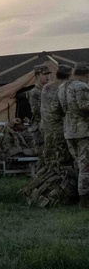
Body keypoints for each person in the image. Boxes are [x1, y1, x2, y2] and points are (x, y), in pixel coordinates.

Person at [23, 65, 78, 207]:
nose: (46, 76)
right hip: (46, 128)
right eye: (43, 74)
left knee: (53, 158)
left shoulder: (47, 88)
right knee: (48, 157)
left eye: (48, 74)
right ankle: (43, 188)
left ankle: (48, 188)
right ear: (36, 75)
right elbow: (37, 111)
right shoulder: (36, 92)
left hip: (50, 127)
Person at [61, 64, 89, 208]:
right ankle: (84, 200)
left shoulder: (63, 87)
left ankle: (74, 194)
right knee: (85, 166)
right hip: (82, 130)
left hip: (69, 130)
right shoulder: (81, 86)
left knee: (78, 164)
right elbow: (84, 106)